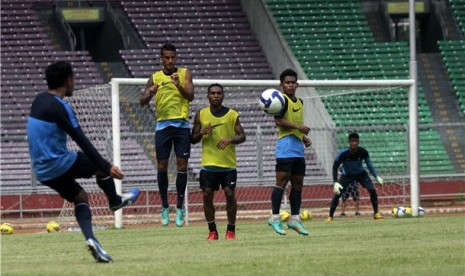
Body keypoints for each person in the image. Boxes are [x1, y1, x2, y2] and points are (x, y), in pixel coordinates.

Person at [26, 61, 140, 263]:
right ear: (68, 80)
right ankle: (115, 201)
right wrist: (107, 166)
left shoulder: (38, 101)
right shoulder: (61, 107)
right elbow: (82, 140)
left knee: (80, 197)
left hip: (42, 171)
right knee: (99, 165)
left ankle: (92, 240)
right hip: (59, 162)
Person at [139, 43, 194, 227]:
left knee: (182, 165)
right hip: (162, 126)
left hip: (182, 125)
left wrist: (178, 85)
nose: (170, 60)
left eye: (173, 57)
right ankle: (164, 207)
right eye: (167, 57)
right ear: (161, 58)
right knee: (162, 167)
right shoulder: (154, 77)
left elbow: (190, 96)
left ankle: (179, 208)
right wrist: (150, 92)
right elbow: (142, 101)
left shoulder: (185, 73)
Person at [191, 83, 246, 240]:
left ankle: (231, 229)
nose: (215, 95)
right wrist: (201, 132)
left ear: (223, 95)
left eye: (218, 93)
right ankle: (212, 231)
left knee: (229, 194)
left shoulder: (232, 115)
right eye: (212, 93)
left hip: (228, 165)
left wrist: (230, 139)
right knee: (207, 195)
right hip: (208, 165)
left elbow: (242, 136)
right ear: (207, 96)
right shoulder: (200, 114)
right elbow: (193, 139)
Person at [267, 69, 312, 236]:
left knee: (298, 183)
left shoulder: (299, 101)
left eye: (293, 82)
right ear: (281, 85)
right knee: (282, 182)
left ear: (297, 84)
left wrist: (302, 137)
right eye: (287, 83)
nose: (290, 85)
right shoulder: (281, 100)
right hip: (285, 147)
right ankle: (275, 217)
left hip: (298, 148)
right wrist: (299, 128)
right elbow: (278, 121)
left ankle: (294, 219)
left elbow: (295, 122)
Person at [326, 132, 384, 222]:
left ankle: (376, 213)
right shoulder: (343, 153)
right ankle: (330, 216)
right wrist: (335, 182)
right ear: (349, 142)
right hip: (347, 175)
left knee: (372, 190)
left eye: (356, 141)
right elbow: (335, 167)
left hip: (360, 174)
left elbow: (369, 165)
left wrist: (376, 176)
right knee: (338, 194)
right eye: (352, 141)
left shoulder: (363, 152)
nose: (354, 143)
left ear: (358, 142)